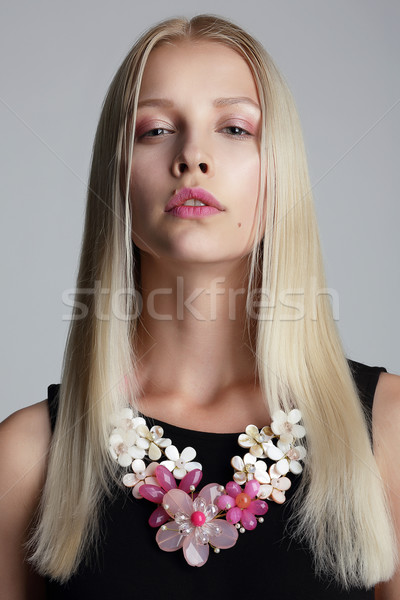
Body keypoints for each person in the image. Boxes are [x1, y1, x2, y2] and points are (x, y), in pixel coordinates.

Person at [0, 14, 399, 600]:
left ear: (279, 173)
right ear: (118, 182)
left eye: (235, 128)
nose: (192, 155)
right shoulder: (27, 458)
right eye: (156, 130)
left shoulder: (389, 434)